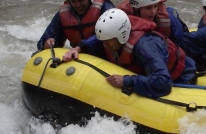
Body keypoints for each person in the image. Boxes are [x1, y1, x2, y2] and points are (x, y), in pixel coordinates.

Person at [62, 9, 196, 98]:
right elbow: (98, 40)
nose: (104, 45)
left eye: (108, 41)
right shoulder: (115, 37)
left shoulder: (145, 47)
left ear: (122, 35)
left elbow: (163, 82)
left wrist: (126, 80)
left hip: (182, 78)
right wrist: (79, 48)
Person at [37, 0, 116, 51]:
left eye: (81, 0)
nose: (78, 5)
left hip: (104, 55)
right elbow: (44, 40)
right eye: (73, 1)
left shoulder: (105, 8)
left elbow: (111, 35)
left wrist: (82, 46)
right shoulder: (64, 14)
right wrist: (47, 42)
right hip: (79, 54)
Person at [117, 0, 188, 44]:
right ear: (136, 8)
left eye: (155, 6)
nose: (153, 12)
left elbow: (182, 42)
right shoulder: (123, 22)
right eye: (148, 8)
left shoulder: (169, 17)